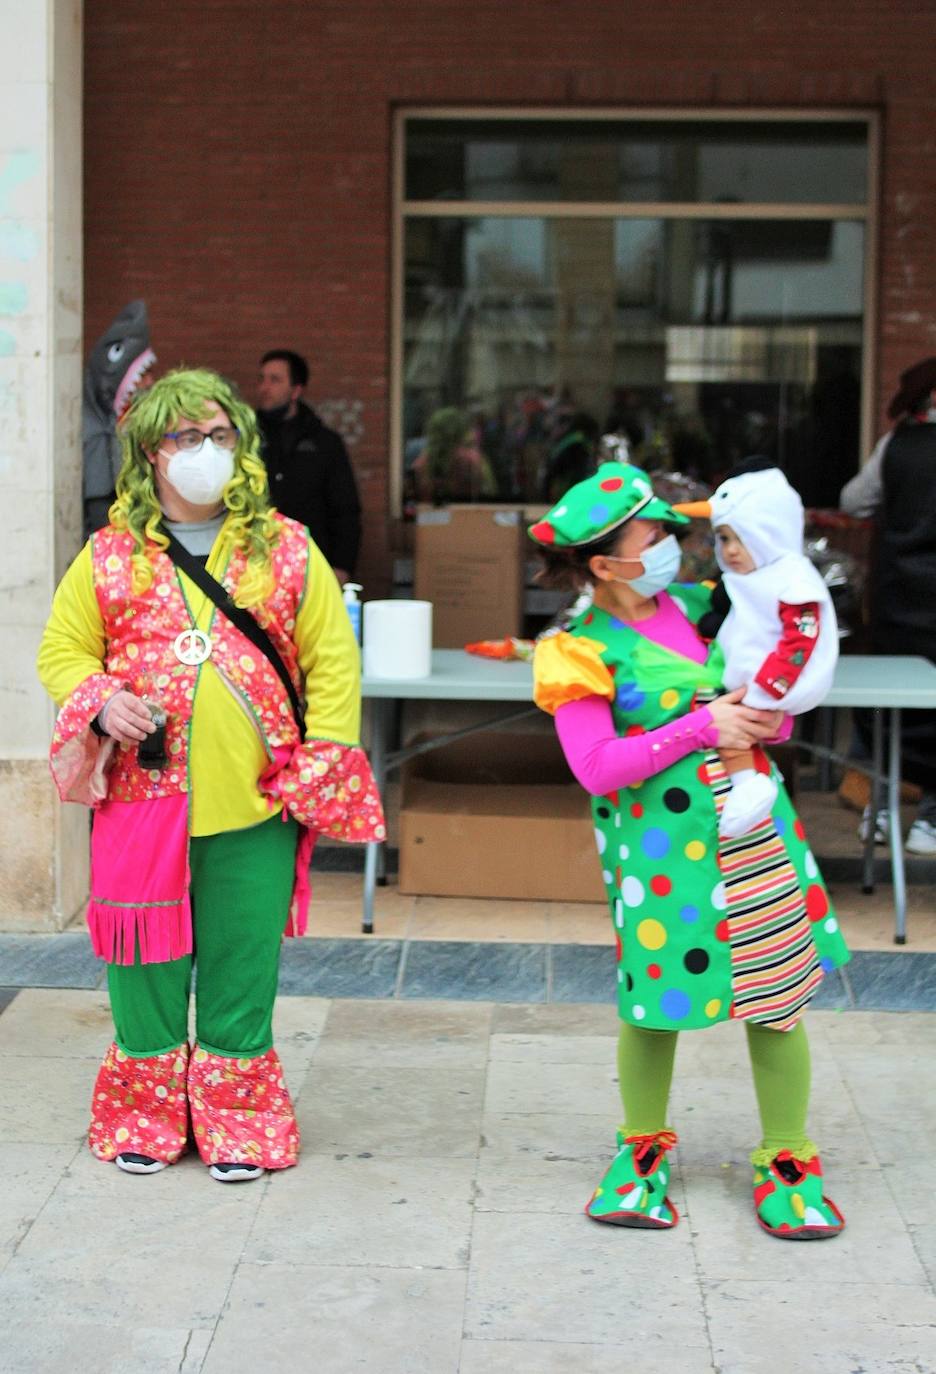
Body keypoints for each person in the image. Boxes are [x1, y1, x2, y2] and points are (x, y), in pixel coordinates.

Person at [37, 368, 385, 1183]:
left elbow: (334, 661)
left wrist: (325, 754)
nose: (206, 451)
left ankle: (239, 1122)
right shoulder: (110, 556)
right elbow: (62, 649)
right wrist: (101, 699)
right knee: (142, 967)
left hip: (256, 804)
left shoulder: (288, 547)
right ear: (150, 453)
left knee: (240, 960)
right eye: (186, 437)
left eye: (221, 435)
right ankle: (142, 1117)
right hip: (138, 803)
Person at [529, 462, 849, 1239]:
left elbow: (770, 679)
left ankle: (788, 1160)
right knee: (654, 1008)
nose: (676, 546)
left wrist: (769, 720)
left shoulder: (707, 607)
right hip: (660, 857)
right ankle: (639, 1157)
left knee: (776, 1002)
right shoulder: (576, 649)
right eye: (654, 536)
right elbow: (597, 768)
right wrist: (704, 729)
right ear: (605, 563)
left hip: (753, 834)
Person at [674, 464, 838, 838]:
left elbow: (801, 639)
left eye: (739, 539)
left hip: (765, 688)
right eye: (723, 539)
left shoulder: (793, 580)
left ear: (770, 534)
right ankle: (746, 784)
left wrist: (768, 687)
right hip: (750, 686)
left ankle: (748, 785)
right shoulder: (750, 578)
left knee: (733, 735)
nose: (729, 551)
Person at [841, 356, 936, 855]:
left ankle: (876, 811)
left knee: (884, 703)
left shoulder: (896, 446)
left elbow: (855, 501)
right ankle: (932, 821)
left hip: (899, 597)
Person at [256, 349, 362, 584]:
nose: (264, 387)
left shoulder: (325, 443)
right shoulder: (246, 438)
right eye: (262, 379)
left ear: (296, 390)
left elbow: (345, 510)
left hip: (312, 566)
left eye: (275, 380)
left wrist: (342, 567)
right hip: (257, 565)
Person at [409, 405, 497, 504]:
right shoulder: (474, 461)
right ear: (461, 430)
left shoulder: (420, 465)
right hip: (469, 516)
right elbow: (490, 495)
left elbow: (411, 504)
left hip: (430, 518)